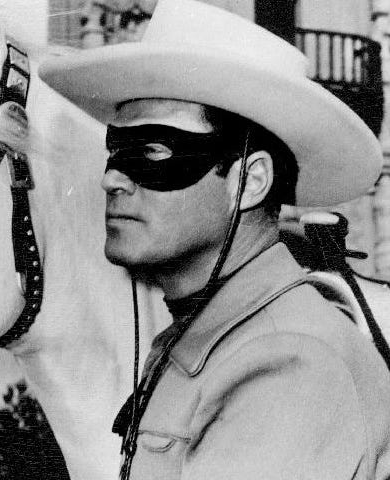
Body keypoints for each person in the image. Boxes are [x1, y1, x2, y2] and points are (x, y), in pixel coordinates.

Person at [39, 0, 390, 478]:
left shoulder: (289, 364)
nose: (112, 180)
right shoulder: (205, 339)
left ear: (249, 182)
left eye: (152, 150)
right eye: (115, 152)